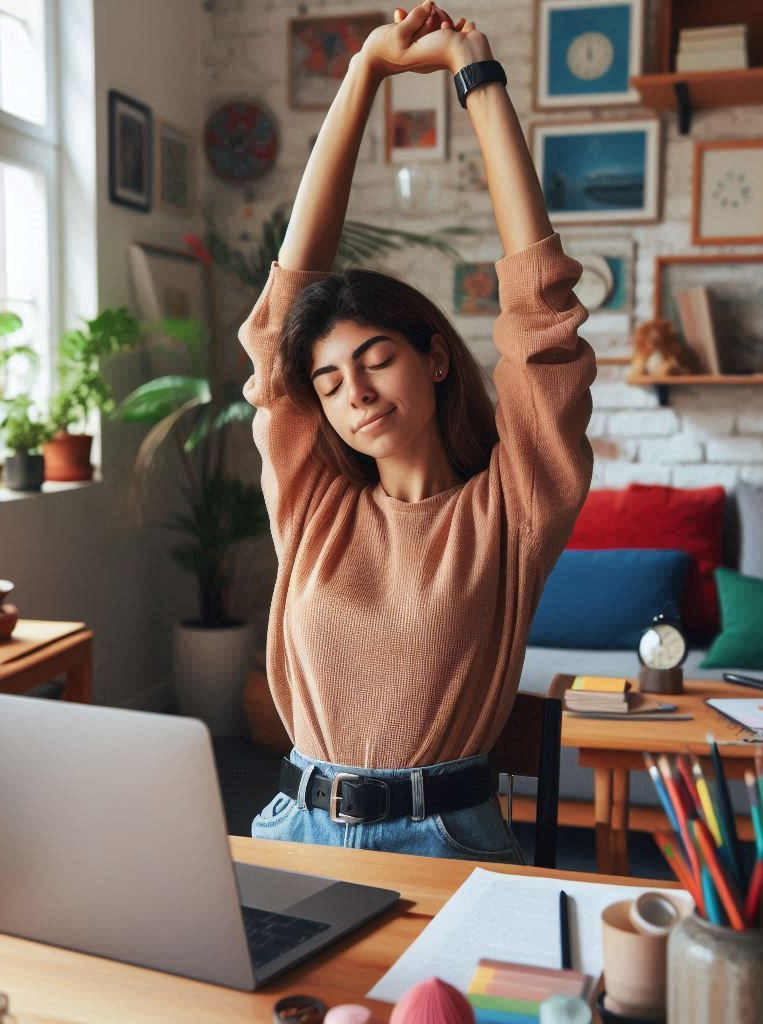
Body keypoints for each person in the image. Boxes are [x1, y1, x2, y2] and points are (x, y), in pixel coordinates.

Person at [238, 2, 598, 863]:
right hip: (295, 829)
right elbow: (284, 306)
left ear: (435, 358)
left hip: (444, 840)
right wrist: (363, 70)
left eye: (376, 360)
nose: (355, 392)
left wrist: (476, 76)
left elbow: (541, 315)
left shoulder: (512, 508)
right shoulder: (311, 503)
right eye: (329, 382)